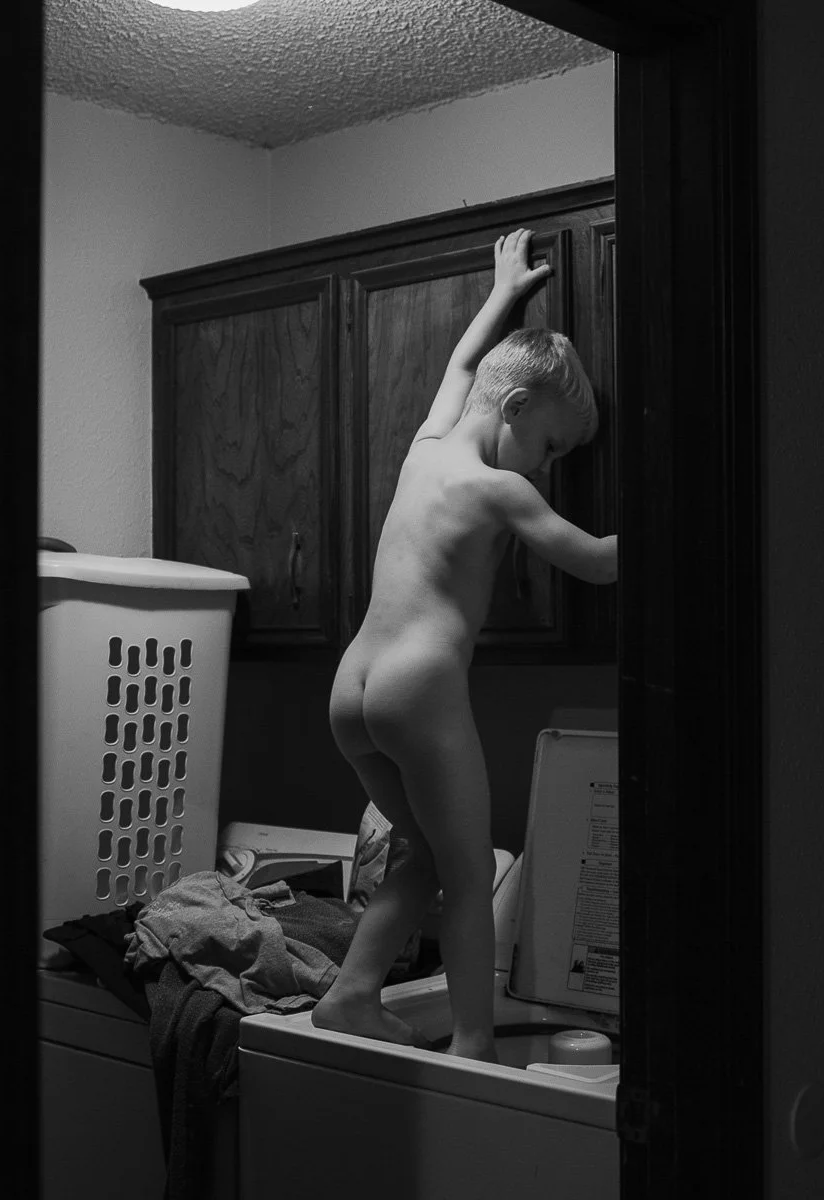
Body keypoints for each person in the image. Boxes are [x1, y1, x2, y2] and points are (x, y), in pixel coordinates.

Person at [310, 228, 618, 1061]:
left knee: (422, 854)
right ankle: (474, 1045)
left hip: (353, 686)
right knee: (471, 869)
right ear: (515, 409)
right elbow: (597, 562)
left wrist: (503, 292)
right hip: (419, 685)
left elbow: (460, 364)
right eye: (551, 446)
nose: (546, 467)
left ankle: (351, 994)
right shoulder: (499, 490)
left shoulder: (427, 447)